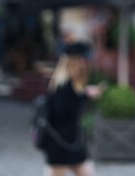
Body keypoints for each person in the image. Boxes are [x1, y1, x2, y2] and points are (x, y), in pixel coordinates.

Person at [43, 41, 102, 176]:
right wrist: (83, 96)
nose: (86, 64)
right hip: (60, 147)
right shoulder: (63, 86)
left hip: (72, 145)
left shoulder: (69, 85)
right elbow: (64, 112)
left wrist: (85, 95)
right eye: (84, 60)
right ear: (75, 62)